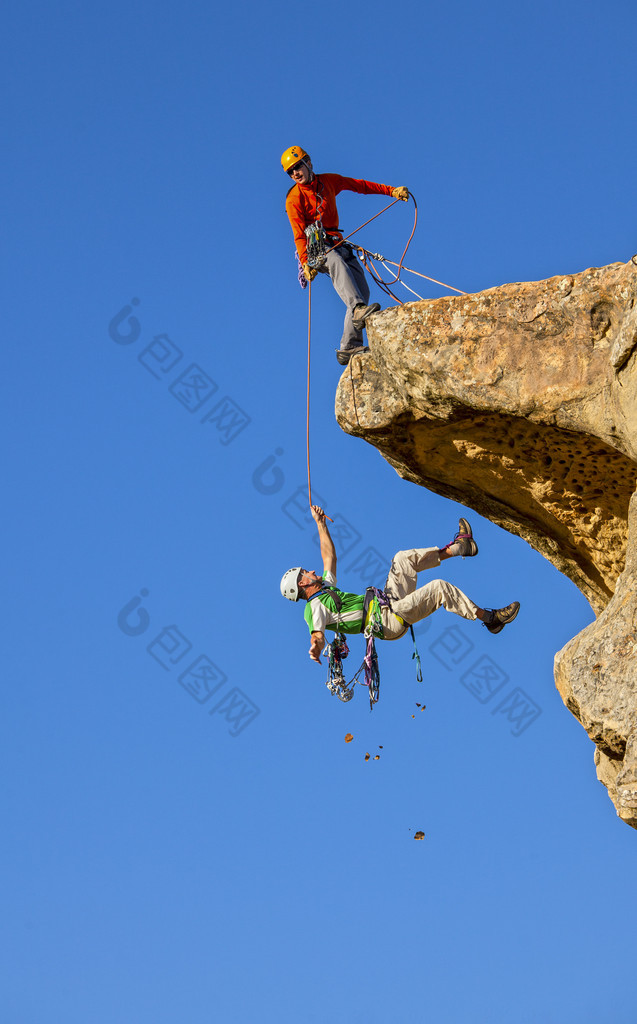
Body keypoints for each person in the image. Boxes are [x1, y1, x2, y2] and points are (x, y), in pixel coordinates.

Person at [280, 506, 520, 665]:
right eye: (306, 572)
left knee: (401, 559)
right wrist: (315, 646)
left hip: (386, 603)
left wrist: (321, 524)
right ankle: (491, 618)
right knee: (438, 588)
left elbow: (329, 558)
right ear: (302, 582)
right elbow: (318, 634)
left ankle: (459, 548)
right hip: (386, 621)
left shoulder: (326, 590)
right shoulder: (314, 608)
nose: (311, 571)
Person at [282, 145, 409, 366]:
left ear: (308, 163)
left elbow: (359, 186)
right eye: (290, 171)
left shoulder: (329, 181)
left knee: (361, 289)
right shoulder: (294, 199)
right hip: (316, 249)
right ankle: (358, 311)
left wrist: (391, 191)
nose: (295, 173)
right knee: (336, 263)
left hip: (337, 242)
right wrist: (305, 263)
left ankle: (349, 346)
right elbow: (299, 234)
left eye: (297, 167)